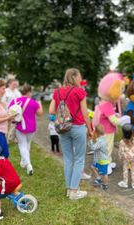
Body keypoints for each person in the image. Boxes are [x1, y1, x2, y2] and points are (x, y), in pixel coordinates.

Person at [49, 68, 92, 200]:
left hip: (63, 128)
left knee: (68, 158)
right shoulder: (80, 91)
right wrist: (90, 130)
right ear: (74, 77)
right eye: (79, 76)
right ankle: (74, 191)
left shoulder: (57, 92)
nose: (81, 79)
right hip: (78, 127)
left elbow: (51, 110)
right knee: (79, 158)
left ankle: (69, 189)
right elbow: (85, 114)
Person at [8, 84, 43, 175]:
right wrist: (39, 102)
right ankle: (26, 163)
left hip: (20, 127)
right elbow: (40, 114)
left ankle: (27, 163)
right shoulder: (33, 102)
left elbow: (9, 113)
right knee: (27, 144)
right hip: (31, 127)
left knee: (22, 145)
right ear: (29, 92)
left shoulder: (14, 101)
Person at [118, 123, 134, 189]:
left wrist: (120, 157)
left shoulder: (122, 142)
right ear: (132, 132)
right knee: (133, 169)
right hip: (133, 157)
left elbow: (121, 151)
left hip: (126, 158)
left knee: (125, 169)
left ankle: (125, 182)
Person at [88, 124, 110, 190]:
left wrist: (90, 140)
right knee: (92, 167)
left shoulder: (100, 141)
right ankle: (98, 178)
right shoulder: (103, 137)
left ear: (96, 132)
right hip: (98, 159)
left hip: (102, 160)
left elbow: (93, 147)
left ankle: (105, 185)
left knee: (104, 173)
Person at [2, 78, 22, 143]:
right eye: (14, 84)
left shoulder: (17, 92)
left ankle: (15, 138)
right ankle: (6, 140)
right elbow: (3, 102)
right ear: (9, 84)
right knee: (8, 126)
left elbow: (21, 100)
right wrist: (6, 111)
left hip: (17, 112)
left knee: (16, 125)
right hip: (8, 111)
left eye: (16, 84)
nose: (15, 85)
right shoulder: (6, 91)